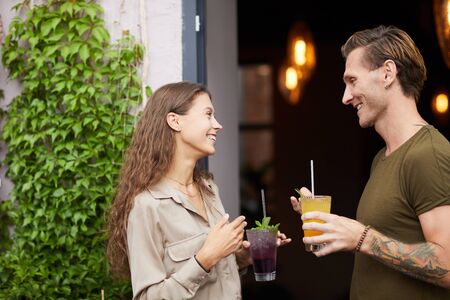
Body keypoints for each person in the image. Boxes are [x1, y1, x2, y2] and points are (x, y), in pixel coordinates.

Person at [290, 25, 450, 299]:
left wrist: (362, 238)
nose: (345, 97)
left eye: (352, 81)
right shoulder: (383, 157)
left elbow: (447, 264)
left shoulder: (428, 155)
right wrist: (333, 227)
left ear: (388, 73)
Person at [107, 81, 290, 299]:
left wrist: (241, 255)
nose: (218, 124)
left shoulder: (209, 190)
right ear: (175, 121)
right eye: (208, 114)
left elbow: (218, 275)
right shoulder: (147, 206)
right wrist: (205, 258)